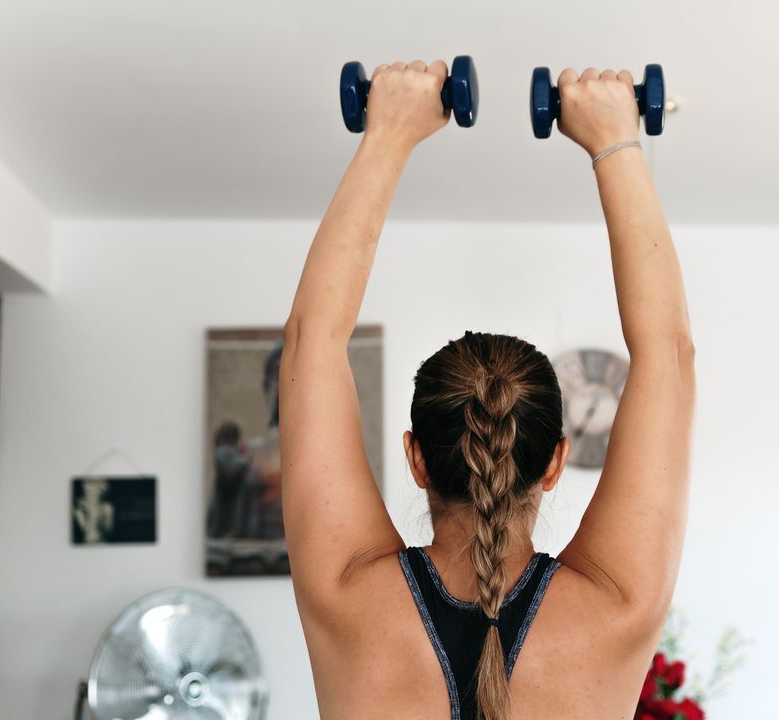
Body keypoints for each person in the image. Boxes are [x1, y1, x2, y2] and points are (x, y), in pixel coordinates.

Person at [280, 60, 694, 719]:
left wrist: (388, 133)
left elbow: (313, 341)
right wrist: (615, 140)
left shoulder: (347, 596)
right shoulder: (616, 607)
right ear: (555, 461)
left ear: (417, 458)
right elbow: (669, 357)